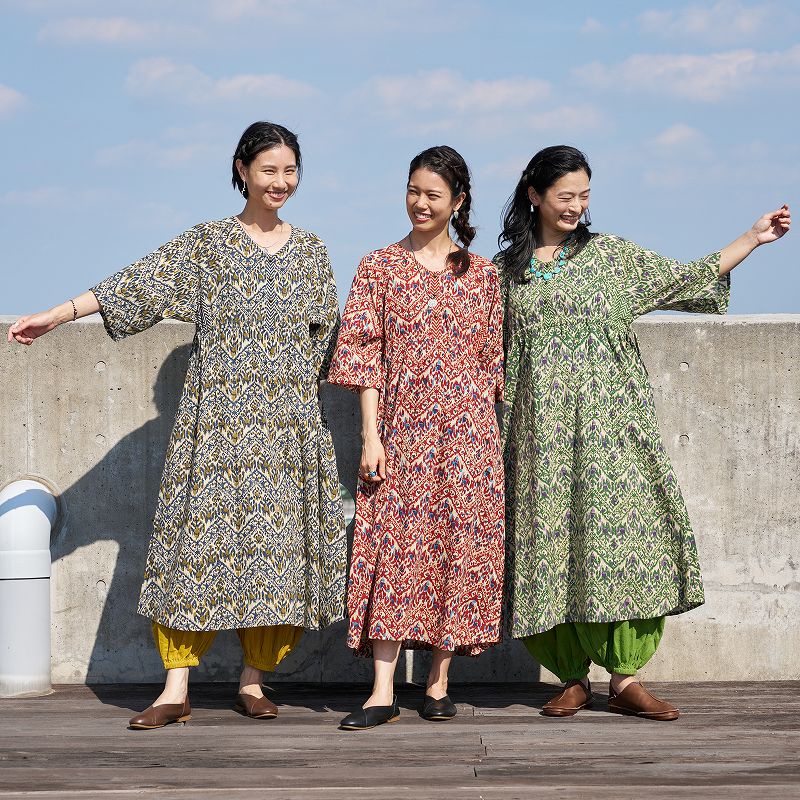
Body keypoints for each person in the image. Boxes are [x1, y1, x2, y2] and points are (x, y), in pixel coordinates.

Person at [7, 121, 347, 728]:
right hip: (214, 424)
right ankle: (175, 688)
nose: (281, 182)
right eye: (269, 170)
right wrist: (57, 315)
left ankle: (253, 681)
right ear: (242, 170)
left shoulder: (313, 251)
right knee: (191, 552)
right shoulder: (210, 243)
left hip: (287, 426)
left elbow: (330, 339)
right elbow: (140, 283)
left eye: (290, 170)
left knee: (279, 557)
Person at [497, 145, 790, 721]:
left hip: (613, 430)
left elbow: (688, 279)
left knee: (628, 545)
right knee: (549, 549)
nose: (576, 206)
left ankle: (625, 677)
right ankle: (571, 678)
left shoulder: (612, 257)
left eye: (584, 196)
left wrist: (753, 238)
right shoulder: (506, 272)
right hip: (538, 438)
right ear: (534, 195)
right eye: (565, 196)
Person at [327, 146, 505, 730]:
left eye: (433, 194)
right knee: (390, 549)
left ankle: (437, 683)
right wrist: (370, 437)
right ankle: (381, 691)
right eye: (413, 190)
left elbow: (492, 365)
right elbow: (362, 356)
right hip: (401, 432)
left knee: (458, 548)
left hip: (469, 436)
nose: (420, 203)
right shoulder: (378, 265)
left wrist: (483, 440)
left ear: (458, 202)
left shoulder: (483, 276)